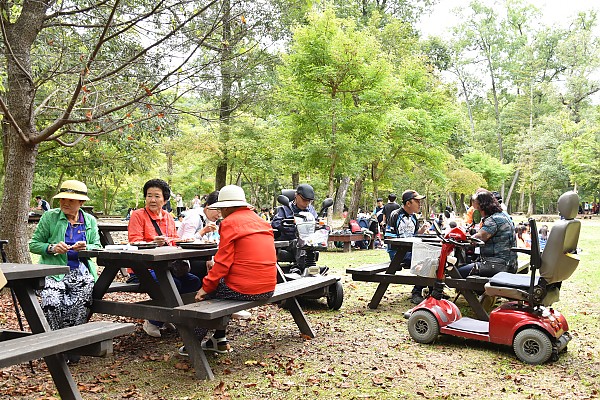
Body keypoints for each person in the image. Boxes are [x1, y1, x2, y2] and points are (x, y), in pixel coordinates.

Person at [180, 185, 276, 356]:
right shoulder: (261, 221)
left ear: (226, 207)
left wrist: (205, 287)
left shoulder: (230, 223)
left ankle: (191, 344)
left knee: (208, 298)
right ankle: (219, 340)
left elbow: (223, 263)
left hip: (247, 289)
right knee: (220, 290)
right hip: (268, 287)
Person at [29, 180, 101, 363]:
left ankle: (72, 346)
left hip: (80, 270)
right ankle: (55, 347)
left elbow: (97, 246)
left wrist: (85, 247)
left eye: (70, 200)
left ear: (81, 203)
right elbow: (34, 244)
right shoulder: (50, 217)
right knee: (51, 301)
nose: (65, 203)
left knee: (81, 302)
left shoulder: (89, 220)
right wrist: (52, 247)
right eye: (62, 199)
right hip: (53, 270)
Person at [128, 178, 201, 337]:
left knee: (193, 281)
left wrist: (183, 240)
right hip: (143, 268)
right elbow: (133, 242)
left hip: (167, 266)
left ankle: (167, 316)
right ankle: (154, 320)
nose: (152, 200)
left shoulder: (168, 217)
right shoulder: (138, 215)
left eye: (157, 196)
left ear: (165, 199)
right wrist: (152, 242)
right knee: (172, 284)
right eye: (149, 196)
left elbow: (173, 239)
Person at [457, 190, 517, 278]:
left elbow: (478, 238)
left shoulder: (493, 220)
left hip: (498, 265)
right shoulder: (503, 215)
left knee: (458, 273)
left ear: (483, 206)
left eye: (476, 208)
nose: (476, 211)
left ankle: (470, 291)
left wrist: (461, 238)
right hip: (509, 264)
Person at [388, 190, 430, 304]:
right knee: (425, 261)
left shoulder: (414, 218)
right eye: (417, 201)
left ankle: (432, 290)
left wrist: (421, 231)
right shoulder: (395, 215)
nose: (419, 204)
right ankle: (416, 292)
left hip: (412, 251)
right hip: (397, 253)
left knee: (433, 259)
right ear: (408, 203)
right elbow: (389, 238)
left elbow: (415, 234)